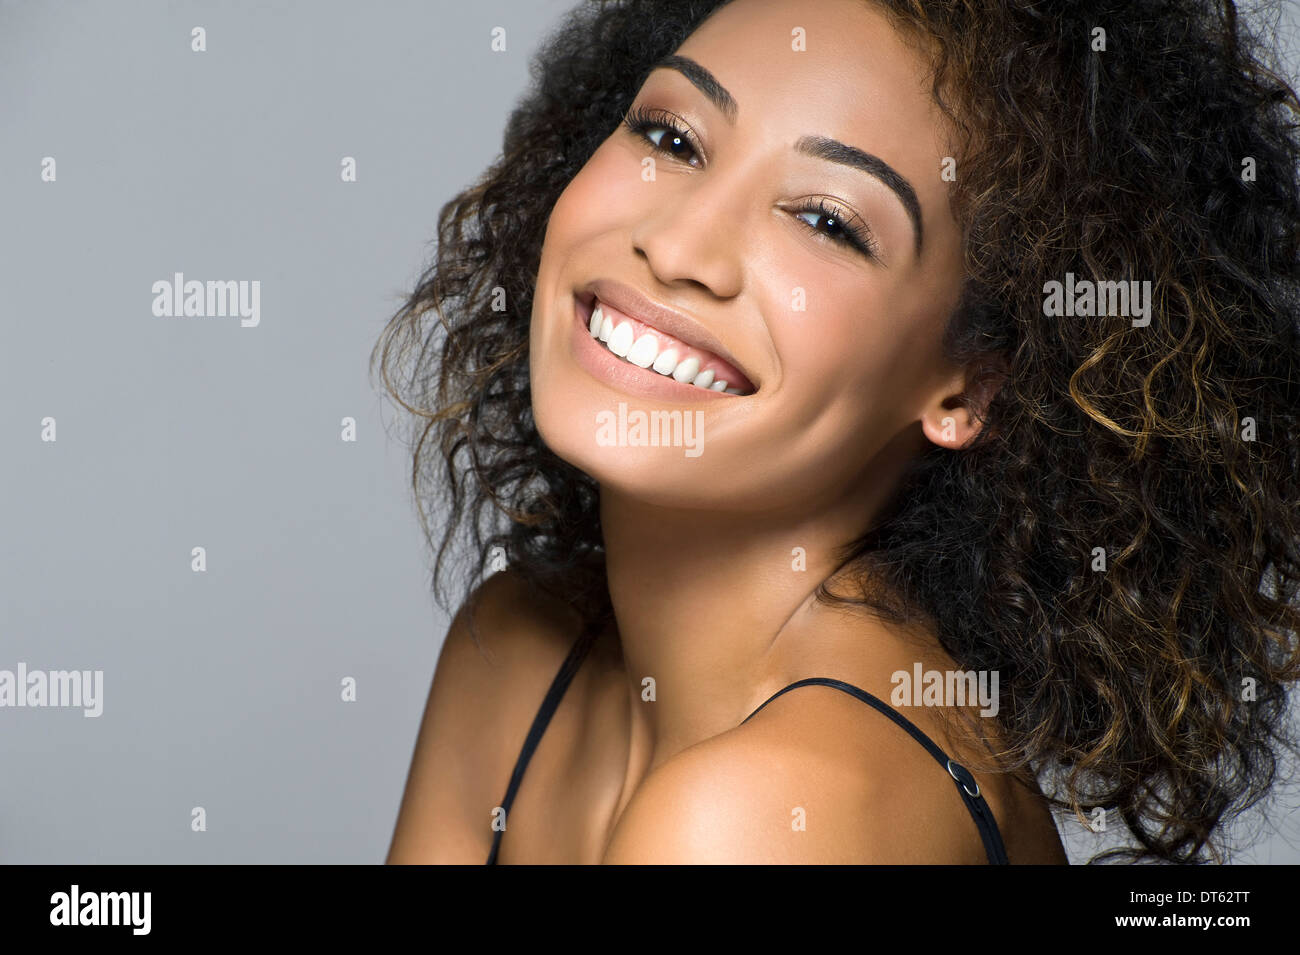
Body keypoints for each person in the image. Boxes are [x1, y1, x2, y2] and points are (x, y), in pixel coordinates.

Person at [376, 0, 1300, 864]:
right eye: (673, 136)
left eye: (825, 220)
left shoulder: (769, 814)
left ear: (968, 387)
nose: (679, 246)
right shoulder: (516, 645)